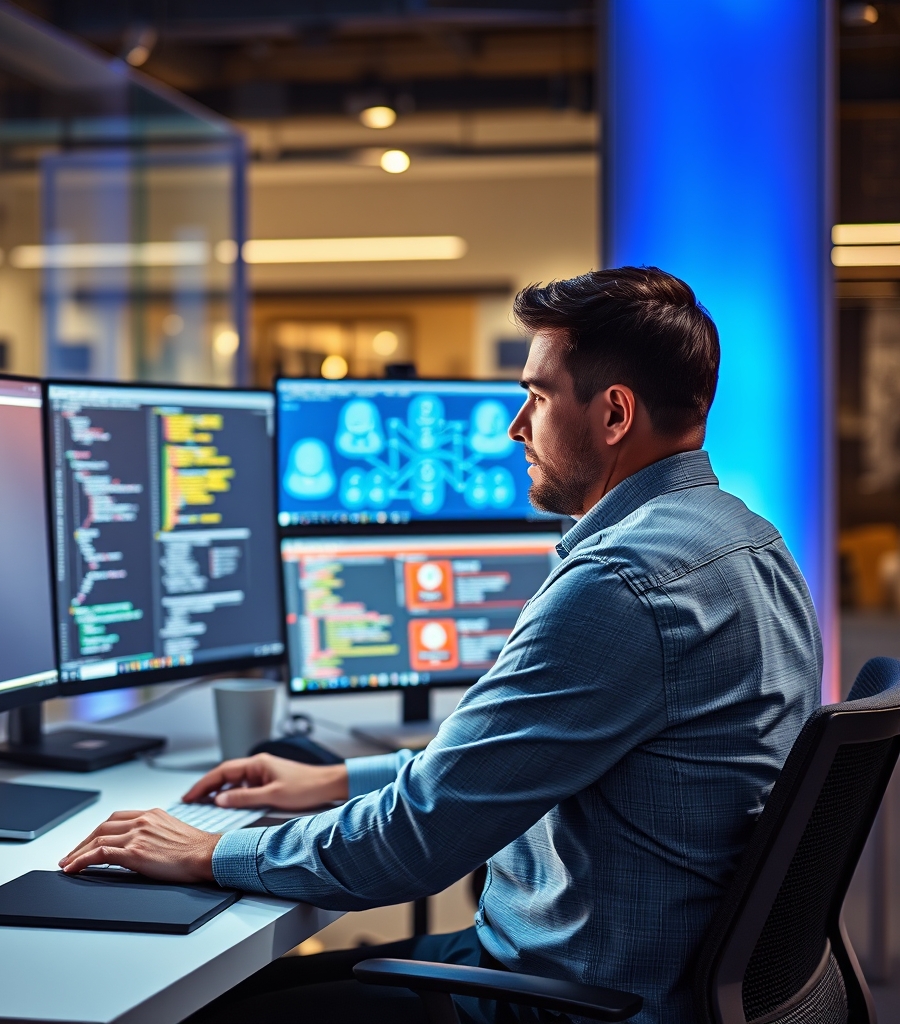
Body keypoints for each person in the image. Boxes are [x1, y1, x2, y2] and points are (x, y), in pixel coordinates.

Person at [61, 267, 822, 1024]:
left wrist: (207, 852)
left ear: (615, 414)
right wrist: (333, 780)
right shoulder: (753, 542)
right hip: (635, 975)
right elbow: (500, 766)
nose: (516, 427)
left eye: (537, 397)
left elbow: (415, 842)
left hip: (573, 1002)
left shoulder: (620, 585)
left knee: (200, 1011)